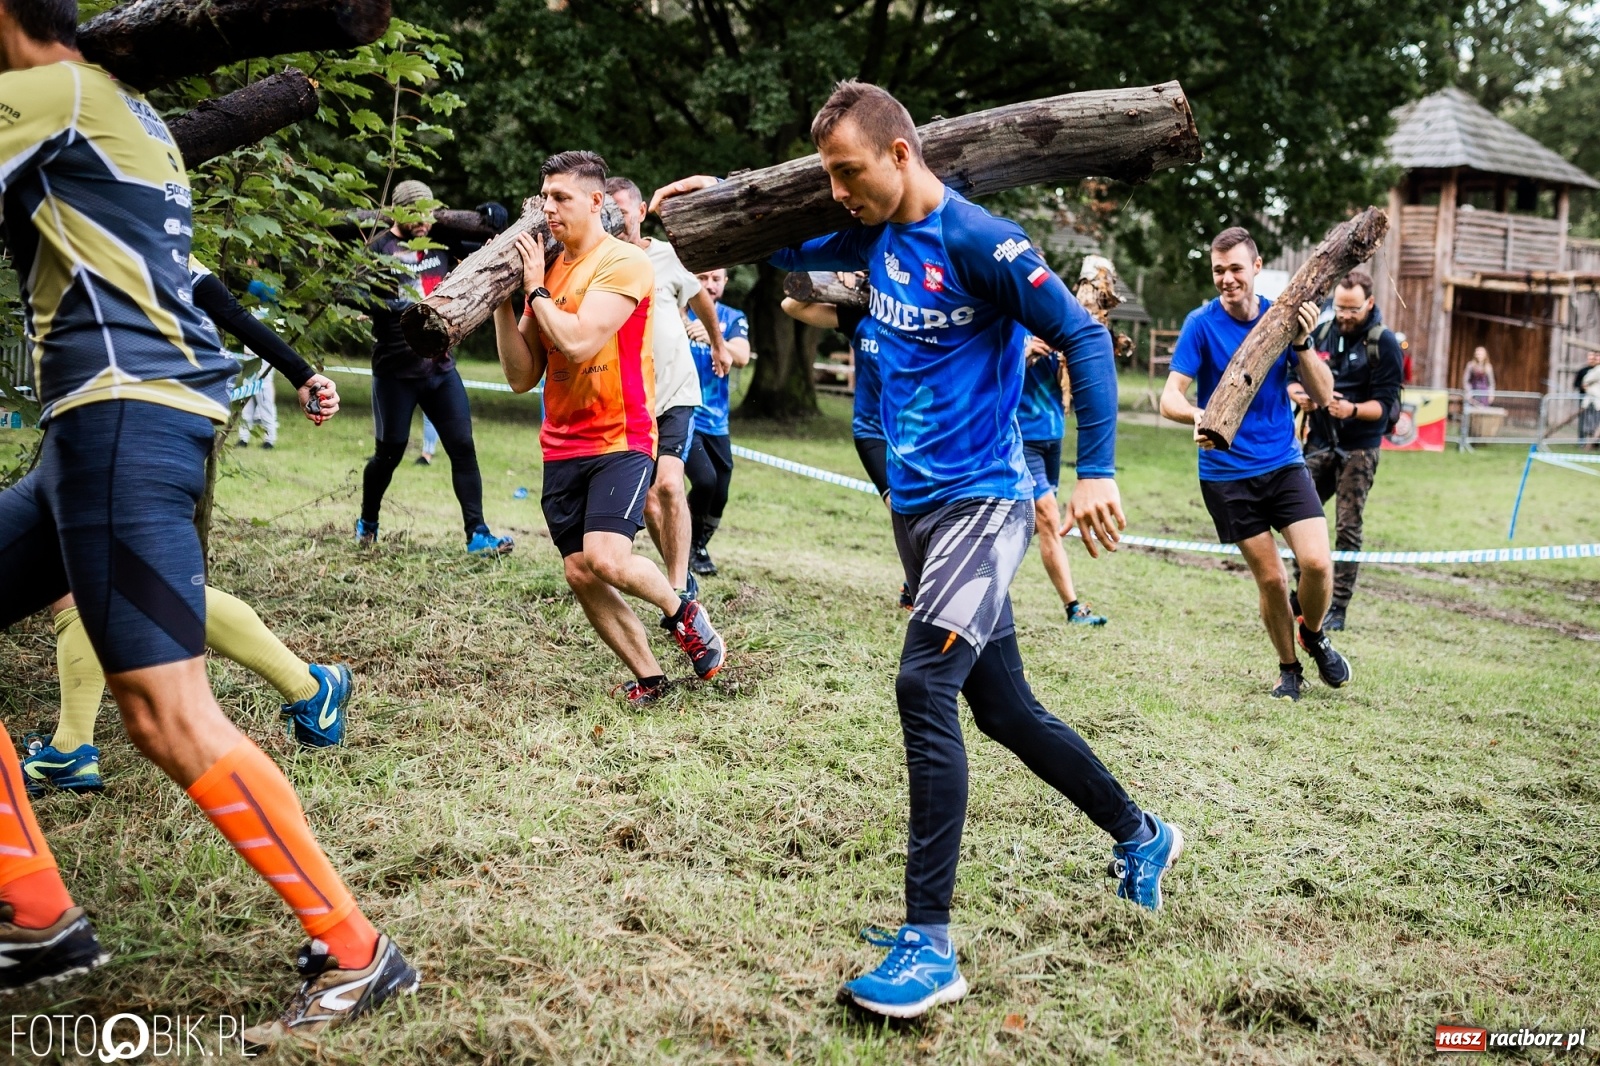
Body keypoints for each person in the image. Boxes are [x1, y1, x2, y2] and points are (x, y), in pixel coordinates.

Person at [657, 80, 1180, 1021]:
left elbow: (1084, 337)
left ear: (901, 155)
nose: (839, 192)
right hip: (920, 514)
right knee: (1006, 710)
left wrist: (1095, 469)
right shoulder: (870, 235)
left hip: (987, 505)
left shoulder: (983, 241)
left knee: (921, 687)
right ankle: (1140, 832)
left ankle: (929, 945)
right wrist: (725, 198)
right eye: (829, 176)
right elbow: (783, 241)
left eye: (849, 172)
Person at [0, 2, 416, 1037]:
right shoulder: (123, 113)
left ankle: (358, 952)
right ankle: (33, 910)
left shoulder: (46, 95)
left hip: (119, 419)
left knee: (168, 714)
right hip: (111, 427)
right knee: (161, 707)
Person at [24, 260, 355, 794]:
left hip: (138, 418)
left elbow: (222, 305)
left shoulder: (120, 219)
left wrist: (304, 374)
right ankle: (71, 747)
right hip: (113, 415)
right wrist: (303, 374)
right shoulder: (92, 219)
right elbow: (223, 304)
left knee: (113, 574)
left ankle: (309, 685)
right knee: (92, 574)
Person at [490, 150, 727, 704]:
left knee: (607, 557)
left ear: (596, 202)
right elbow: (523, 375)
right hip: (561, 443)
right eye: (544, 197)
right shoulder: (546, 271)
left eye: (561, 197)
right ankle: (650, 677)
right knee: (580, 572)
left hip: (621, 437)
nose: (548, 208)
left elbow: (577, 340)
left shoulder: (625, 262)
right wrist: (506, 305)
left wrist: (535, 292)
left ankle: (683, 610)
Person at [1159, 226, 1352, 702]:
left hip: (1284, 463)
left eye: (1235, 269)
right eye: (1218, 271)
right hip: (1226, 474)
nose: (1227, 279)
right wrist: (1199, 414)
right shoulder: (1200, 324)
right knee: (1271, 578)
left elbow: (1324, 395)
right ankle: (1289, 669)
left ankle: (1313, 634)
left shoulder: (1283, 320)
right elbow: (1169, 399)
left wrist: (1303, 343)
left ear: (1257, 267)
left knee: (1317, 565)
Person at [358, 177, 513, 554]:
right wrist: (402, 309)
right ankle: (368, 520)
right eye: (417, 216)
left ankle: (477, 534)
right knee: (389, 453)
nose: (425, 222)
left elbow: (492, 252)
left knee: (462, 447)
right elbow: (361, 298)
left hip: (440, 370)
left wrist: (497, 217)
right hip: (396, 372)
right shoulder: (379, 249)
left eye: (430, 214)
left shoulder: (443, 241)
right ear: (398, 213)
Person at [604, 176, 729, 598]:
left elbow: (700, 299)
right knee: (650, 504)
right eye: (607, 212)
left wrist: (718, 344)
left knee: (671, 485)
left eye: (622, 212)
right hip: (628, 398)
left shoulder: (667, 256)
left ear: (641, 212)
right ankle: (681, 576)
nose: (615, 220)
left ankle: (678, 591)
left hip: (674, 391)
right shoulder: (599, 262)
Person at [782, 277, 913, 608]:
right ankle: (919, 583)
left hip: (914, 433)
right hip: (872, 431)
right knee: (898, 506)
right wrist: (842, 281)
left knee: (921, 510)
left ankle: (917, 580)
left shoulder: (917, 318)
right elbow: (791, 305)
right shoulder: (859, 317)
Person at [1286, 270, 1403, 631]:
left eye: (1352, 309)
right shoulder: (1319, 332)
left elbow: (1388, 408)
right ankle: (1301, 594)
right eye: (1339, 307)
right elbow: (1291, 373)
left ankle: (1337, 606)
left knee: (1347, 528)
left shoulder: (1384, 344)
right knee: (1298, 520)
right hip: (1318, 441)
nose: (1344, 315)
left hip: (1359, 449)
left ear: (1369, 303)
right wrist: (1298, 394)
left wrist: (1351, 409)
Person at [1020, 335, 1108, 626]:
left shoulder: (1054, 324)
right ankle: (1073, 608)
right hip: (1021, 437)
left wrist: (1066, 365)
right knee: (1048, 517)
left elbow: (1064, 387)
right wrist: (1026, 352)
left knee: (1028, 524)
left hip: (1053, 435)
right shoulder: (1009, 320)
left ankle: (934, 572)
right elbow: (991, 372)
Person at [684, 268, 752, 576]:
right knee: (705, 481)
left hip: (717, 422)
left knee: (720, 493)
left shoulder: (732, 317)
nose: (710, 285)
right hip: (684, 414)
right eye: (703, 278)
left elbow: (742, 355)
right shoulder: (676, 311)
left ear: (725, 283)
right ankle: (687, 545)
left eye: (716, 279)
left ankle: (697, 544)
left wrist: (716, 338)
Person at [236, 276, 283, 448]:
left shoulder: (271, 319)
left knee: (264, 399)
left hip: (263, 365)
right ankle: (243, 436)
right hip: (250, 362)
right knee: (246, 398)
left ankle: (269, 438)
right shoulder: (252, 314)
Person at [1574, 350, 1600, 446]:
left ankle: (1594, 443)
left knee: (1596, 423)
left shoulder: (1597, 370)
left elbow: (1587, 380)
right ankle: (1583, 442)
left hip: (1597, 400)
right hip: (1587, 400)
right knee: (1585, 422)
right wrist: (1583, 386)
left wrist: (1586, 384)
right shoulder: (1584, 370)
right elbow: (1580, 383)